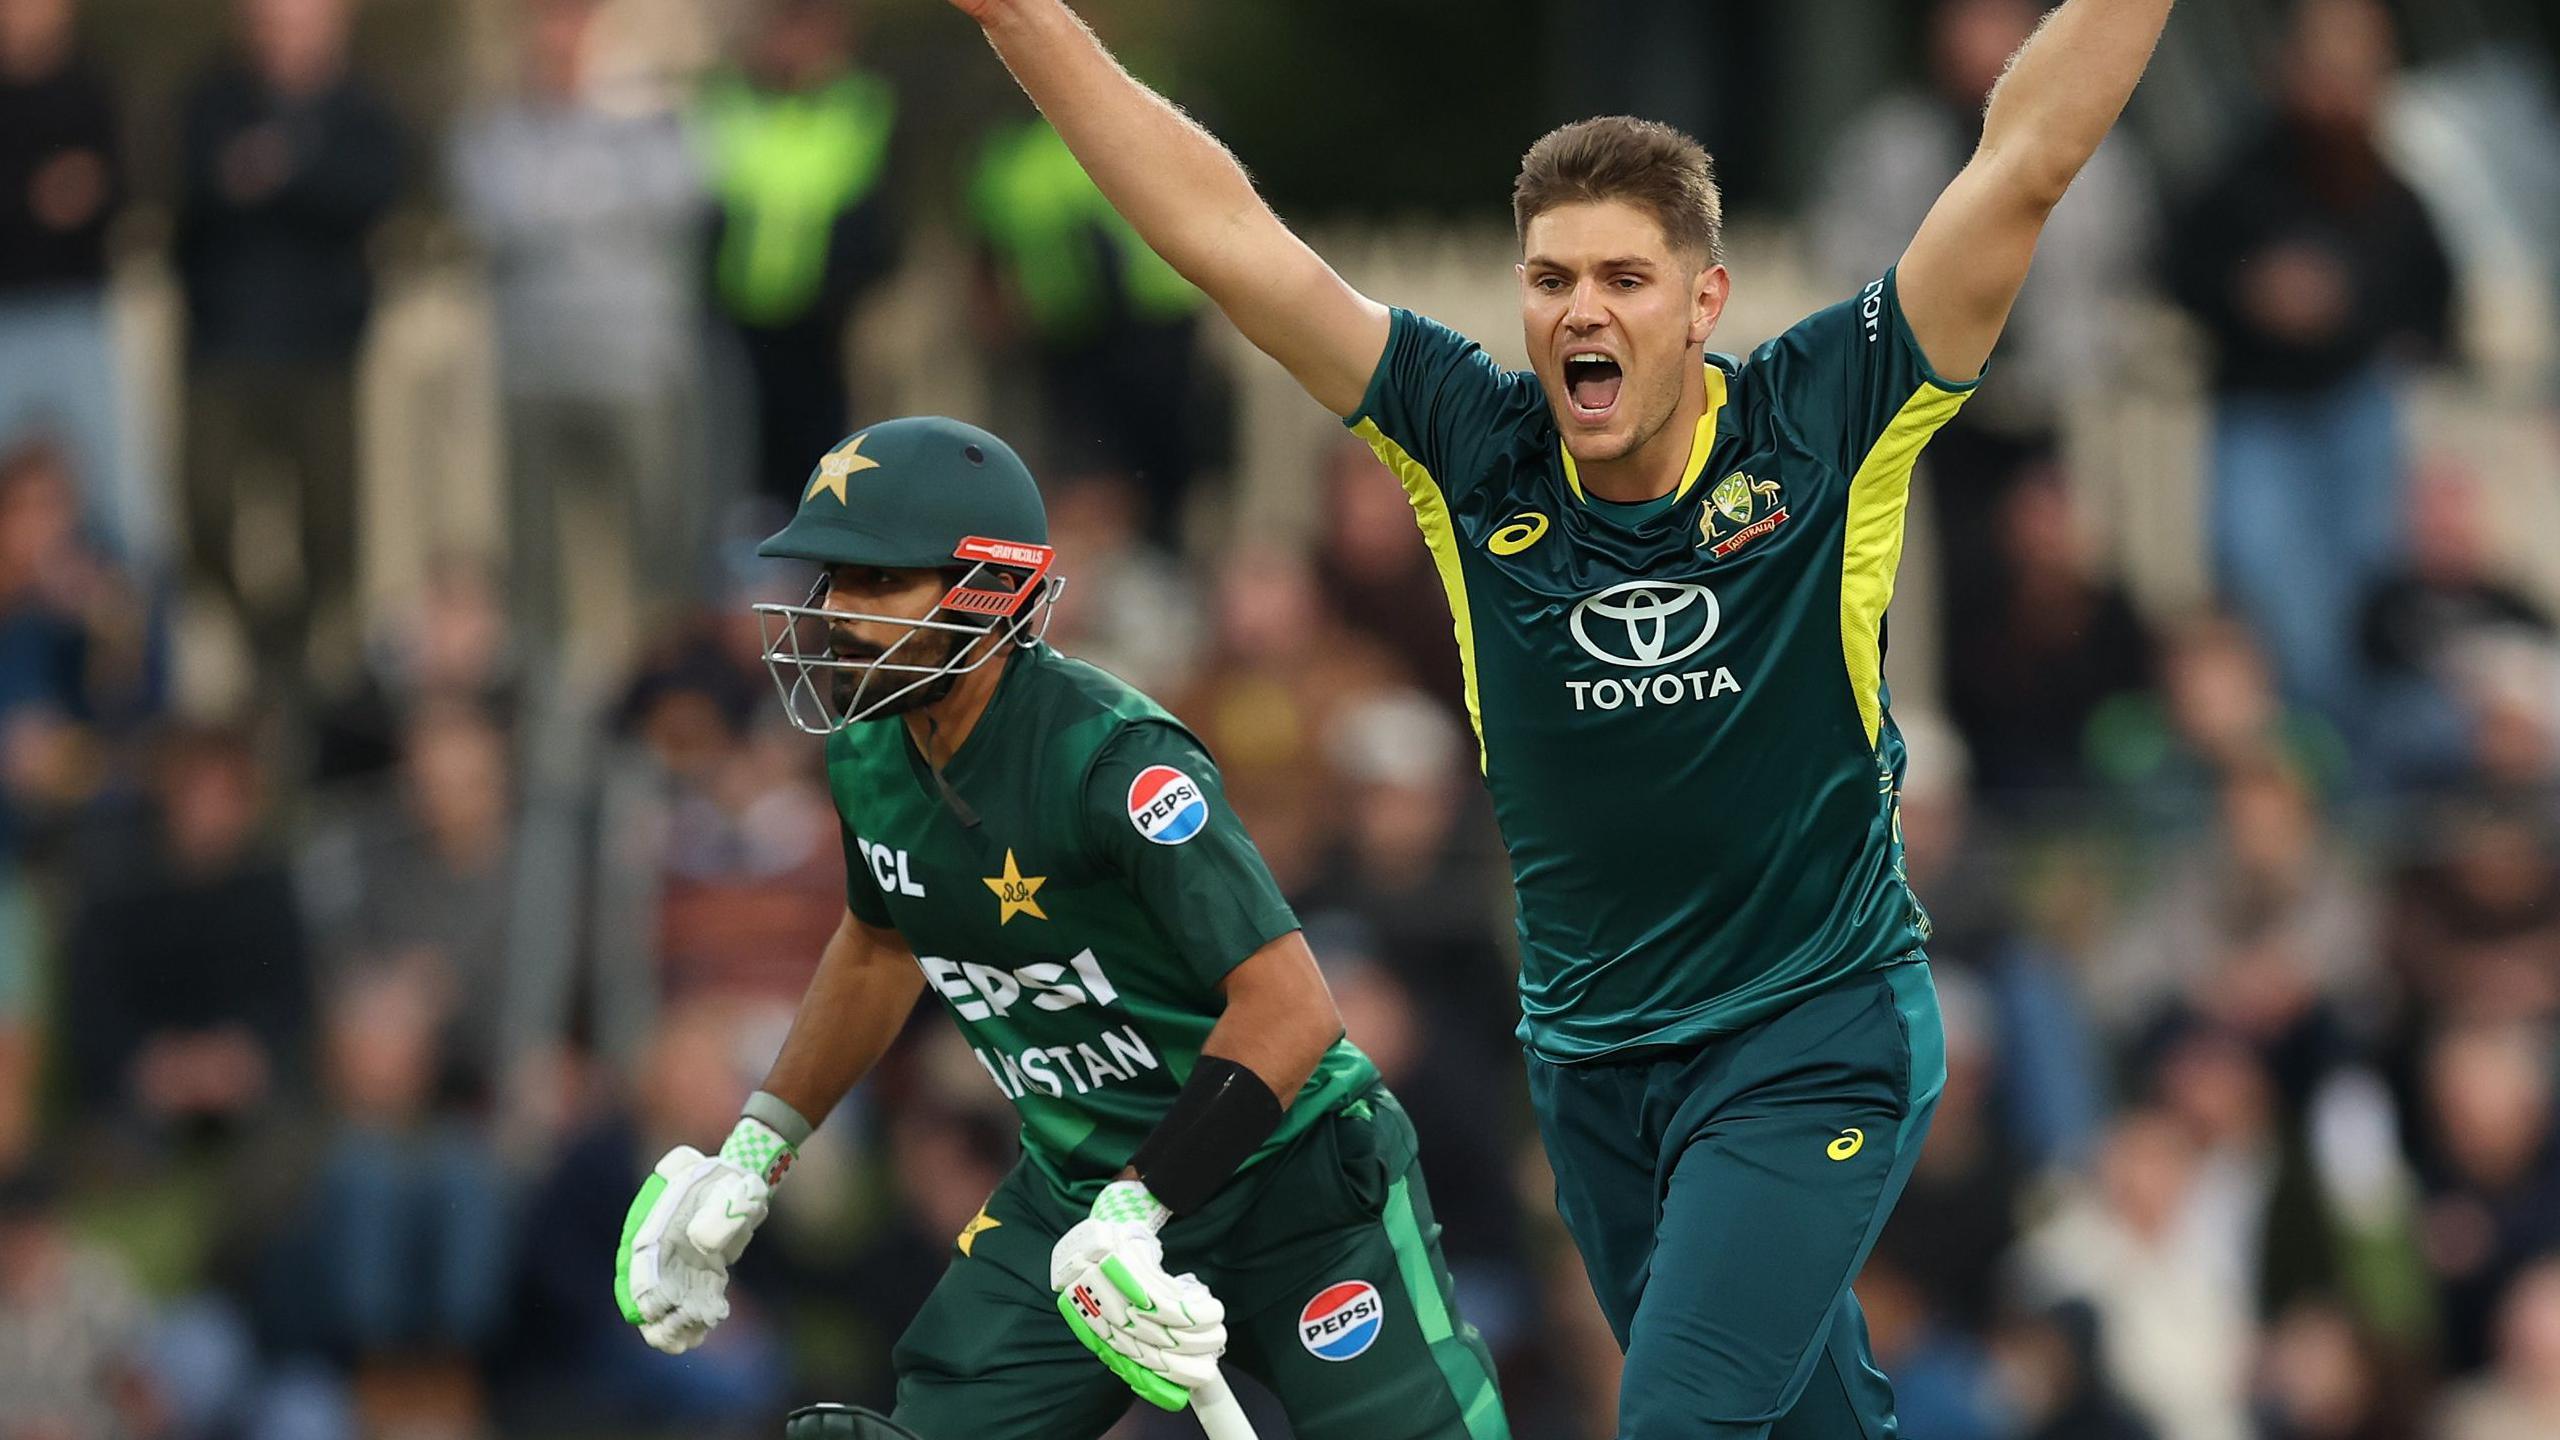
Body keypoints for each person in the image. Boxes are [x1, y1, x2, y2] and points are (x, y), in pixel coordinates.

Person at [934, 1, 2173, 1434]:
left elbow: (2023, 161)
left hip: (1808, 1037)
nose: (1583, 309)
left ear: (1703, 302)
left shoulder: (1824, 417)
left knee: (1680, 1419)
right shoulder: (1474, 446)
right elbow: (1223, 235)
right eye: (1551, 278)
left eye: (1626, 277)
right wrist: (1019, 15)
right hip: (1593, 1073)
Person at [613, 417, 1509, 1440]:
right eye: (833, 580)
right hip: (1078, 1189)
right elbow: (881, 942)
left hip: (1291, 1187)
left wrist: (1144, 1201)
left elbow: (1294, 1010)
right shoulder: (868, 751)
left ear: (989, 592)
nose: (834, 614)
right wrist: (755, 1150)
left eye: (876, 582)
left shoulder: (1112, 762)